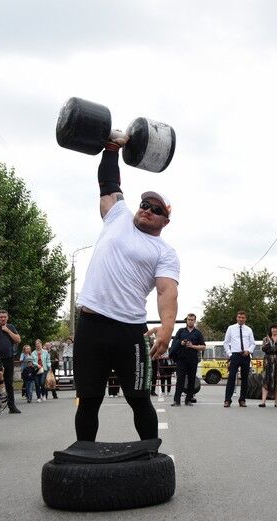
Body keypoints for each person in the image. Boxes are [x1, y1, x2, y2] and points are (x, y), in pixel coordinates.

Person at [73, 133, 179, 441]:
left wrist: (167, 327)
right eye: (145, 203)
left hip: (129, 332)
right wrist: (111, 149)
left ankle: (151, 458)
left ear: (165, 221)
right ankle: (84, 458)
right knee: (89, 401)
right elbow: (108, 185)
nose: (147, 209)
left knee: (139, 399)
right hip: (91, 325)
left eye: (156, 209)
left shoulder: (165, 252)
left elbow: (166, 291)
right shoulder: (117, 215)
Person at [0, 310, 21, 413]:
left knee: (9, 383)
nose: (3, 318)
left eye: (4, 317)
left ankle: (12, 406)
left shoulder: (10, 327)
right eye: (1, 317)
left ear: (7, 317)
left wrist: (7, 331)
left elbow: (18, 340)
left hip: (9, 359)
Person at [169, 313, 205, 406]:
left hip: (193, 359)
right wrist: (181, 342)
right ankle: (176, 400)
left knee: (191, 379)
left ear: (194, 321)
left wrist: (192, 346)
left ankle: (188, 400)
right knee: (180, 379)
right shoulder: (181, 331)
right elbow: (174, 342)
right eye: (189, 319)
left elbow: (203, 347)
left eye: (192, 320)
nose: (190, 321)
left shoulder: (198, 333)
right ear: (186, 320)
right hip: (181, 359)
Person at [223, 310, 256, 408]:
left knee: (245, 378)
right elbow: (225, 342)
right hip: (235, 355)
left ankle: (242, 400)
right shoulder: (231, 328)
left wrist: (249, 351)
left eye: (243, 317)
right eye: (239, 317)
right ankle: (227, 400)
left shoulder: (249, 329)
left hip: (245, 355)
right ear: (236, 318)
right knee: (231, 377)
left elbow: (253, 343)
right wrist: (230, 354)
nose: (241, 319)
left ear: (245, 318)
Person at [260, 324, 277, 408]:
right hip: (268, 361)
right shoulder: (266, 339)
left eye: (276, 329)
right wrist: (272, 347)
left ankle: (276, 402)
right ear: (270, 330)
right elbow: (263, 349)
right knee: (265, 380)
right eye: (273, 329)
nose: (274, 330)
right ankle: (263, 402)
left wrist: (273, 348)